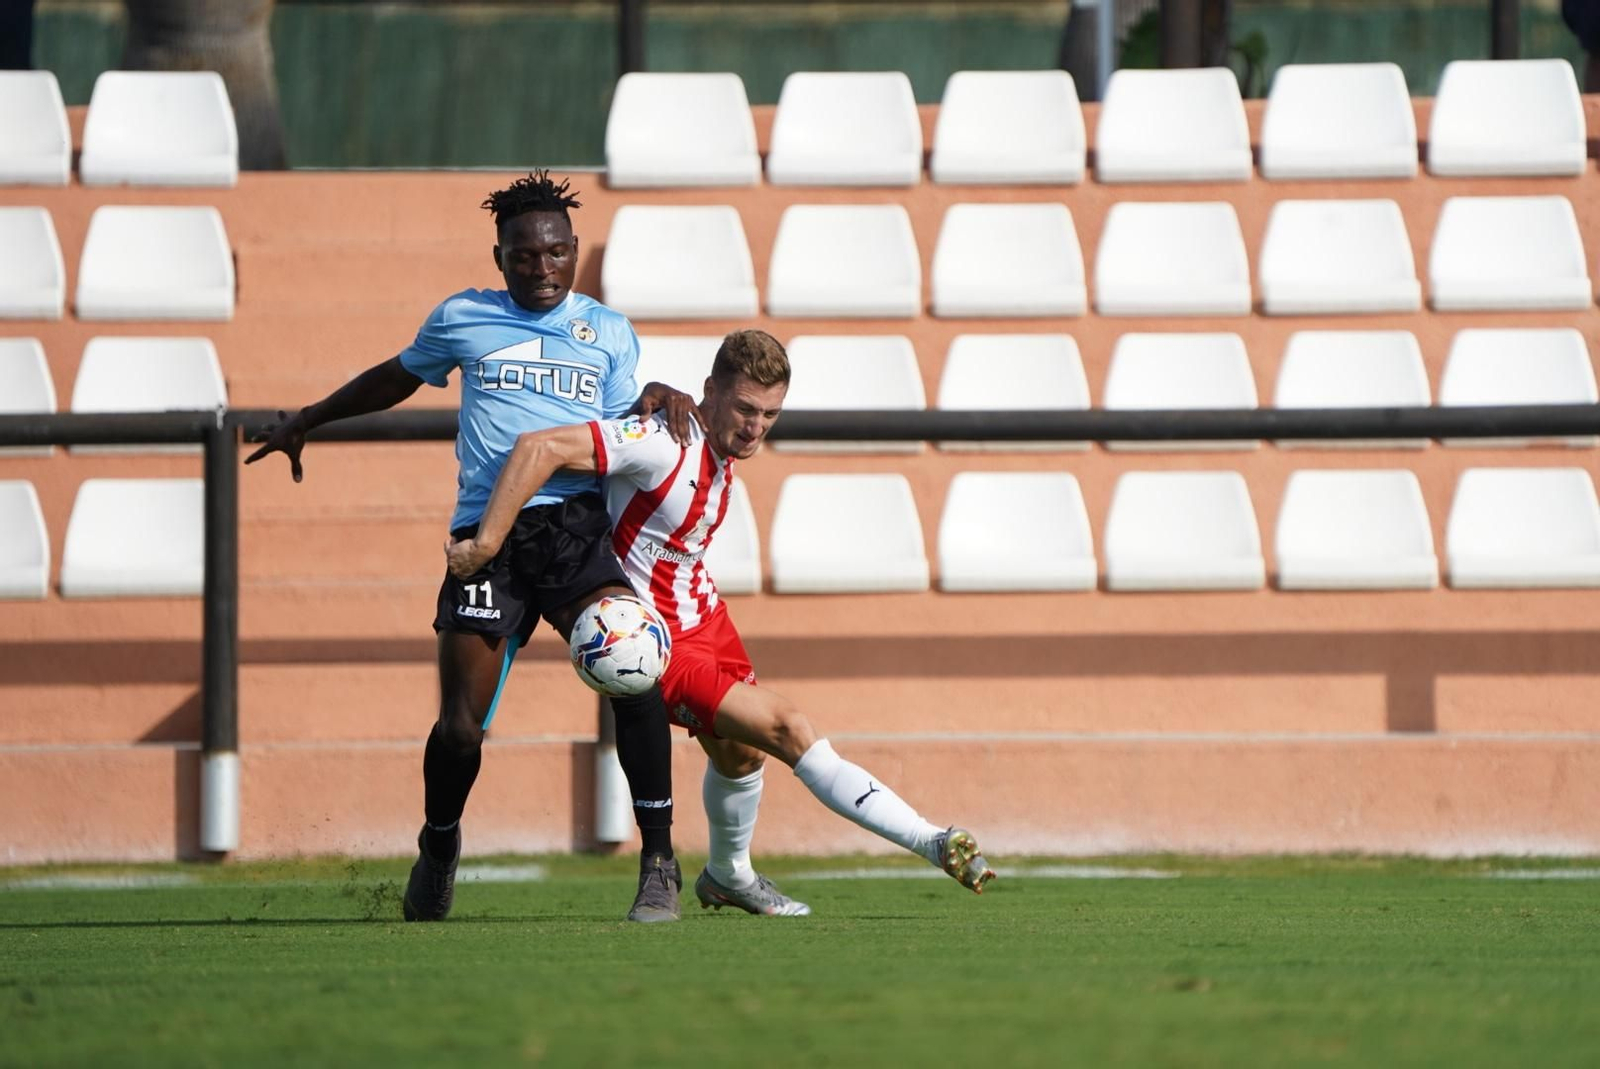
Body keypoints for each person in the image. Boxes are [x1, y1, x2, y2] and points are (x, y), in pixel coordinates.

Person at [247, 171, 696, 923]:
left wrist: (654, 391)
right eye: (525, 256)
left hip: (574, 531)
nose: (543, 268)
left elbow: (615, 426)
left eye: (556, 253)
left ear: (575, 250)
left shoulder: (609, 331)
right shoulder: (462, 317)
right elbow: (395, 377)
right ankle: (442, 843)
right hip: (487, 539)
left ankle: (659, 860)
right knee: (460, 727)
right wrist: (310, 418)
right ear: (500, 258)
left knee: (637, 669)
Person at [446, 329, 997, 916]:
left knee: (740, 757)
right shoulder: (660, 441)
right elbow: (540, 447)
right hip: (664, 644)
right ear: (710, 391)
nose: (756, 426)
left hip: (707, 616)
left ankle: (729, 875)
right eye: (745, 409)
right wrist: (486, 540)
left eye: (770, 414)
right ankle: (932, 839)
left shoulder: (718, 447)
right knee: (788, 728)